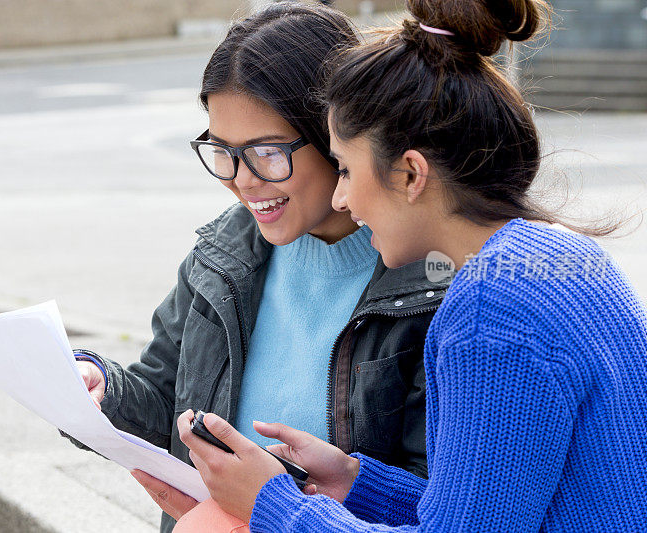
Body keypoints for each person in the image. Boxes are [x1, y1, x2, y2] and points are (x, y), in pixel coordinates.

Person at [174, 0, 647, 530]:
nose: (342, 199)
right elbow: (484, 505)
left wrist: (272, 505)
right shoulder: (563, 259)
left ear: (410, 174)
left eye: (348, 170)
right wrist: (353, 482)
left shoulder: (488, 313)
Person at [66, 3, 450, 531]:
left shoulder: (428, 285)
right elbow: (165, 402)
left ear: (337, 139)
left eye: (267, 152)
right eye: (222, 151)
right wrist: (101, 387)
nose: (243, 181)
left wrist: (269, 507)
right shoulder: (224, 252)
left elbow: (435, 500)